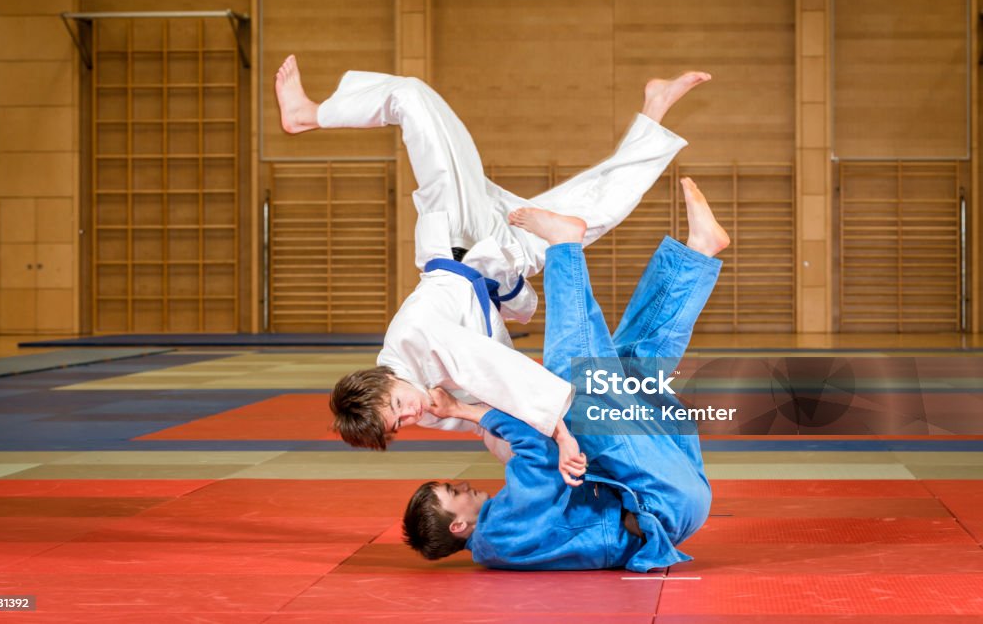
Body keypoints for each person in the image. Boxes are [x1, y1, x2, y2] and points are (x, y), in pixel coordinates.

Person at [275, 57, 711, 478]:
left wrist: (561, 436)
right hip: (502, 260)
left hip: (461, 232)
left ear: (380, 383)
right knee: (597, 209)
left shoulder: (412, 337)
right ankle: (654, 109)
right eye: (398, 426)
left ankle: (308, 113)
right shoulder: (427, 406)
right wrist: (535, 463)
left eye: (394, 408)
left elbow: (498, 373)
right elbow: (494, 421)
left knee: (412, 97)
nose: (408, 416)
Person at [402, 178, 727, 572]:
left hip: (668, 499)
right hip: (656, 499)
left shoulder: (502, 541)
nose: (463, 485)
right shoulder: (502, 530)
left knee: (630, 369)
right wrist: (466, 410)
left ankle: (697, 256)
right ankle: (564, 245)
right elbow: (539, 452)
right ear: (458, 524)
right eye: (453, 491)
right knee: (574, 388)